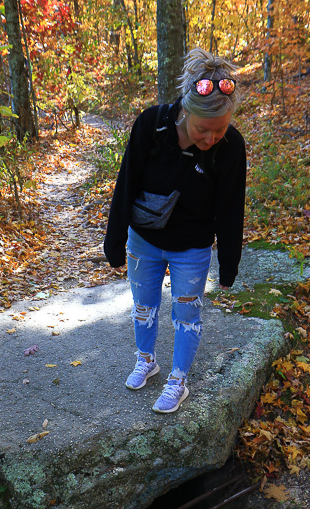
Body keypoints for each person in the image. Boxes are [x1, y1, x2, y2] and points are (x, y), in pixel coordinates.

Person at [104, 47, 246, 413]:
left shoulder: (231, 147)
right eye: (203, 129)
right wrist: (114, 240)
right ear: (186, 112)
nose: (211, 139)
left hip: (192, 247)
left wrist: (228, 265)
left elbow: (231, 209)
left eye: (220, 129)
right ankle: (146, 360)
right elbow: (127, 182)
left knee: (187, 314)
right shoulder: (152, 126)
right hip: (144, 240)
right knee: (143, 306)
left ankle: (178, 379)